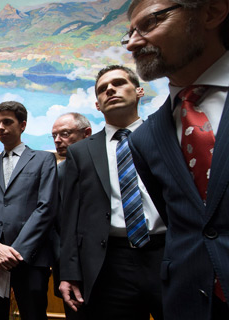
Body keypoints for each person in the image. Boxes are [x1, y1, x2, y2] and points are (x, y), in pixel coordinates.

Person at [124, 0, 229, 318]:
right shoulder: (145, 138)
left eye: (151, 22)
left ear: (211, 12)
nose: (132, 42)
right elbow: (185, 222)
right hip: (189, 301)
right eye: (128, 34)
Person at [59, 65, 165, 320]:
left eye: (118, 83)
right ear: (97, 105)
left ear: (139, 91)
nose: (110, 89)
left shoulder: (164, 136)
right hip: (109, 263)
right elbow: (70, 217)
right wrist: (68, 272)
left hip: (166, 254)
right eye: (102, 89)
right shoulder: (81, 152)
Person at [0, 101, 58, 320]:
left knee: (33, 314)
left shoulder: (44, 159)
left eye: (7, 122)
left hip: (31, 257)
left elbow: (46, 208)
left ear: (22, 125)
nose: (0, 128)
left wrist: (16, 253)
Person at [50, 112, 92, 320]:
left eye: (65, 134)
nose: (58, 141)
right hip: (69, 271)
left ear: (87, 134)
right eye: (54, 136)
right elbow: (54, 224)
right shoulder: (56, 173)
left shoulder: (105, 167)